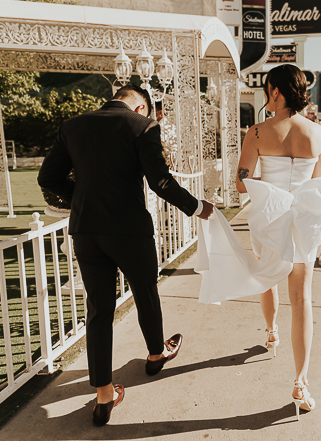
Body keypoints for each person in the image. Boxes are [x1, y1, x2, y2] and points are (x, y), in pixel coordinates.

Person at [37, 84, 213, 426]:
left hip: (87, 230)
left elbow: (48, 177)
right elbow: (160, 182)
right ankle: (155, 354)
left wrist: (82, 198)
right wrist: (196, 207)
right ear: (141, 106)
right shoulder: (142, 126)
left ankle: (104, 396)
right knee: (145, 292)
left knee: (99, 309)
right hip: (129, 229)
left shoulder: (73, 125)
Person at [195, 64, 321, 420]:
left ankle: (271, 332)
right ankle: (301, 381)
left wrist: (268, 184)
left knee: (267, 276)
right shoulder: (317, 133)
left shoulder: (257, 132)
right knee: (302, 298)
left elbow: (242, 184)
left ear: (275, 91)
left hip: (269, 217)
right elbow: (319, 183)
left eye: (267, 90)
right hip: (303, 221)